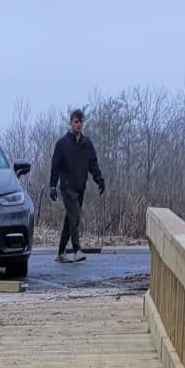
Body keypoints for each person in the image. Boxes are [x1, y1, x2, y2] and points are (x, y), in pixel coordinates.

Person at [48, 109, 105, 263]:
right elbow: (55, 166)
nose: (79, 124)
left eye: (81, 122)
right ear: (70, 123)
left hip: (80, 187)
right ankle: (77, 250)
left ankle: (60, 253)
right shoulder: (62, 144)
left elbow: (93, 164)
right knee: (75, 217)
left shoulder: (87, 144)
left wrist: (100, 180)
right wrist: (52, 185)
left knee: (70, 219)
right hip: (67, 186)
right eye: (76, 121)